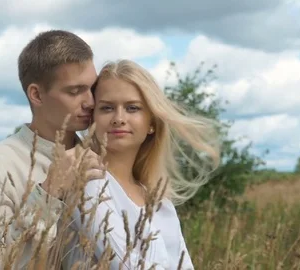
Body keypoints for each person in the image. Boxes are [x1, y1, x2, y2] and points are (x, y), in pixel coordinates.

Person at [61, 60, 221, 269]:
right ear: (93, 120)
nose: (119, 118)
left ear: (151, 123)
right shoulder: (89, 183)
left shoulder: (159, 201)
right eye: (107, 108)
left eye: (132, 108)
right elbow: (127, 266)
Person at [0, 30, 105, 269]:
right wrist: (48, 194)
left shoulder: (103, 156)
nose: (90, 102)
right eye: (74, 91)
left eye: (92, 89)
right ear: (36, 94)